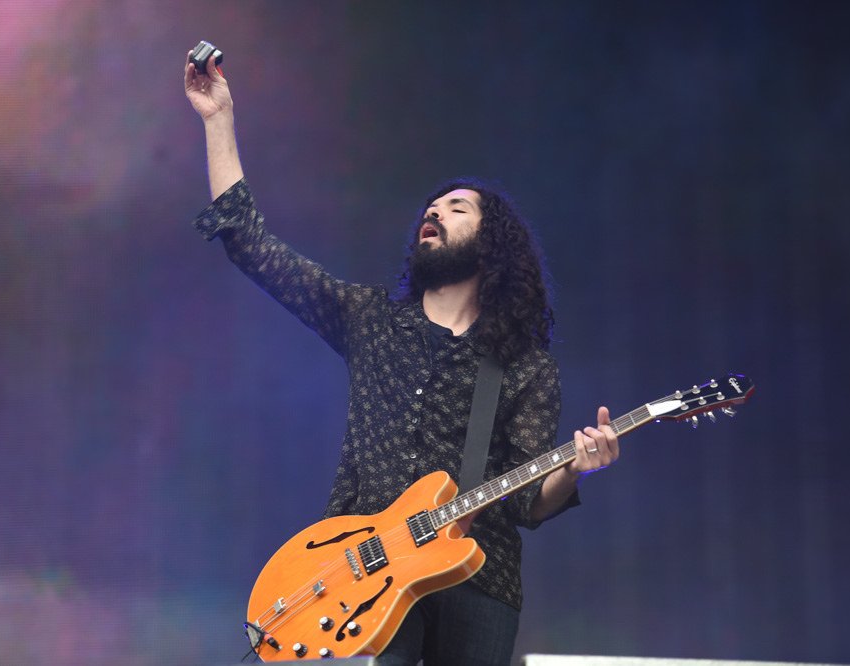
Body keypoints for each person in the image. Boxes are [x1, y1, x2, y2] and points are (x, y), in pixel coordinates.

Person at [184, 50, 620, 666]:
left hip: (480, 580)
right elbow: (250, 245)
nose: (435, 212)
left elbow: (528, 502)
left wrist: (576, 469)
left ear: (492, 245)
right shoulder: (371, 319)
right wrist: (218, 119)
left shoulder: (525, 365)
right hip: (364, 577)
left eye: (458, 208)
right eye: (432, 208)